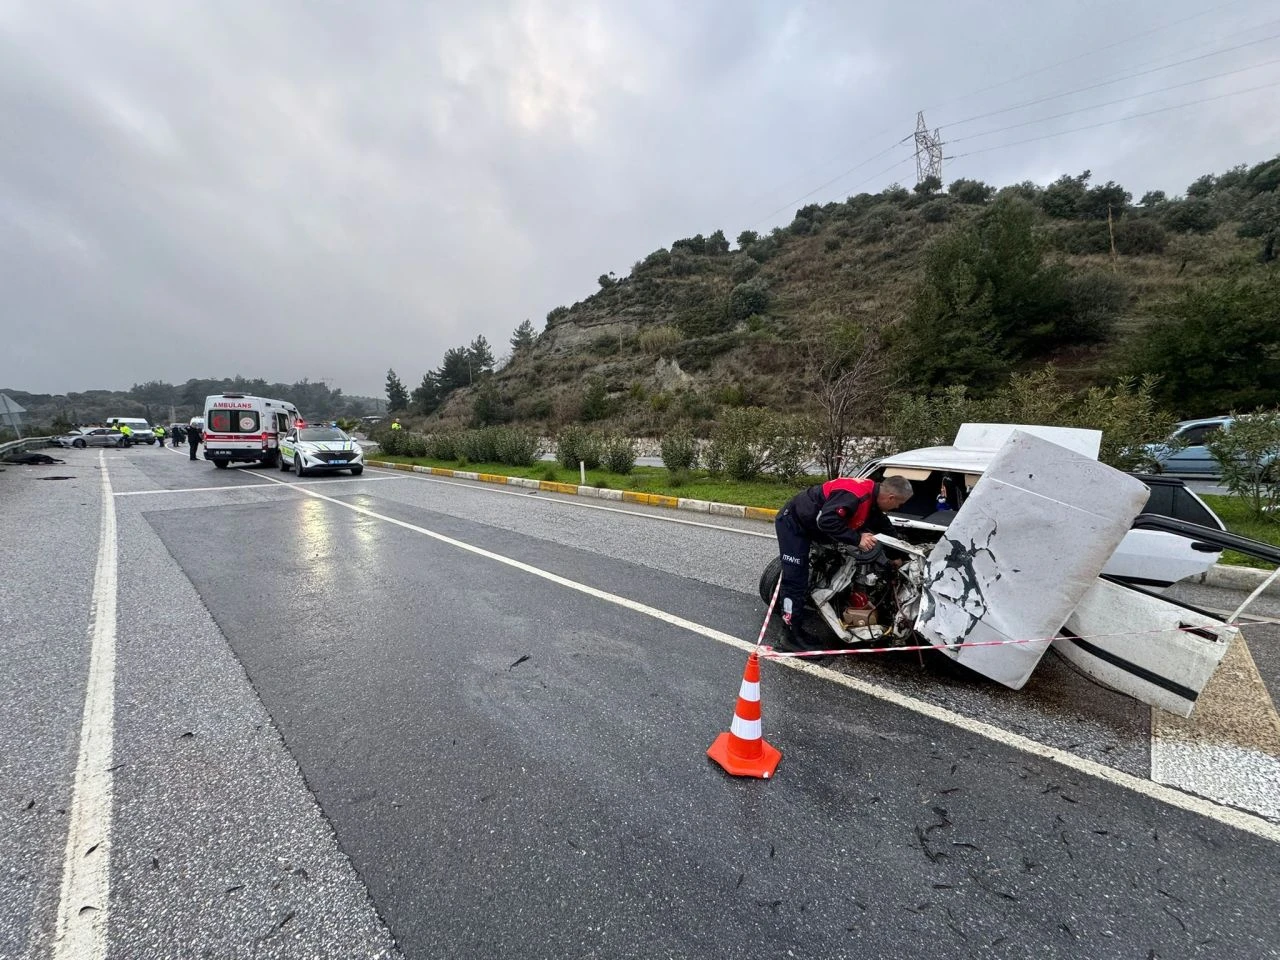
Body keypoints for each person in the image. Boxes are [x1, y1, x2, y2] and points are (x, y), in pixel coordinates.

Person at [772, 475, 913, 650]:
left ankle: (798, 624)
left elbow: (883, 526)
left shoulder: (873, 498)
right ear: (891, 497)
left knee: (822, 567)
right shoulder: (855, 495)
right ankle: (789, 635)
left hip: (813, 526)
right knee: (795, 580)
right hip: (794, 524)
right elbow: (826, 521)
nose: (898, 508)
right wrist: (857, 539)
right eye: (898, 504)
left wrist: (898, 555)